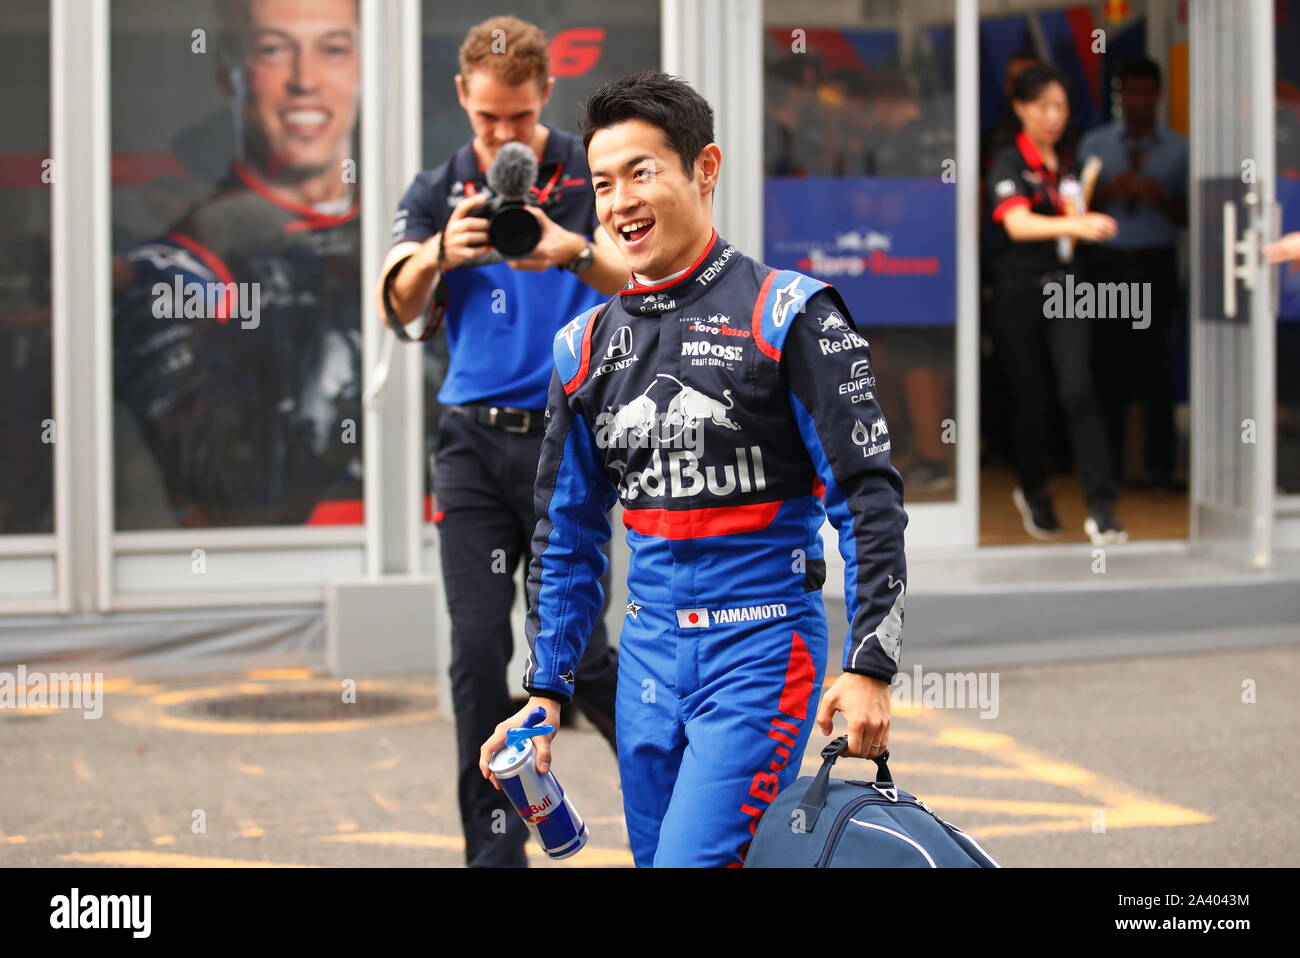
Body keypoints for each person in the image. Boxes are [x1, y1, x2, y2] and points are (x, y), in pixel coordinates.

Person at [478, 70, 910, 868]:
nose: (620, 203)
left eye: (643, 172)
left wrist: (869, 662)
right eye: (604, 183)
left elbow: (866, 495)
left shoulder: (790, 313)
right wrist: (546, 688)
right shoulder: (580, 350)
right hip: (645, 659)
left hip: (762, 648)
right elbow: (566, 535)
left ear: (704, 168)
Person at [377, 16, 627, 869]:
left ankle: (691, 805)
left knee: (582, 656)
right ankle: (494, 857)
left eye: (518, 119)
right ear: (462, 99)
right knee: (479, 652)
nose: (503, 136)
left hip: (570, 447)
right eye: (488, 120)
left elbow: (651, 281)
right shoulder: (441, 184)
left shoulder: (590, 173)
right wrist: (442, 250)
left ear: (543, 97)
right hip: (473, 449)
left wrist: (571, 250)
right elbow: (395, 303)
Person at [114, 0, 364, 527]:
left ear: (366, 66)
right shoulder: (179, 267)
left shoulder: (415, 233)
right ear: (230, 71)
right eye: (273, 49)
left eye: (334, 49)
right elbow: (233, 487)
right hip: (262, 571)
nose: (305, 80)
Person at [987, 64, 1126, 543]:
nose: (1053, 116)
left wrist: (1083, 220)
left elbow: (1070, 221)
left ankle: (1103, 508)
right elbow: (1017, 224)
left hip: (1066, 286)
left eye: (1061, 107)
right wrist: (1075, 226)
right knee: (1031, 398)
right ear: (1022, 108)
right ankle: (1034, 490)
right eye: (1043, 106)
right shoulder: (1009, 161)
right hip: (1017, 290)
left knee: (1078, 390)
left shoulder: (1068, 163)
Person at [1079, 57, 1188, 493]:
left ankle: (1160, 472)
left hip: (1154, 263)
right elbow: (1072, 210)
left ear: (1158, 95)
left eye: (1147, 93)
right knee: (1108, 367)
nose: (1139, 101)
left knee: (1154, 368)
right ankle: (1109, 474)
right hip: (1106, 265)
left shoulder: (1181, 150)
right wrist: (1107, 192)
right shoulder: (1096, 144)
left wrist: (1159, 197)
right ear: (1120, 95)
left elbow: (1195, 217)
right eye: (1132, 92)